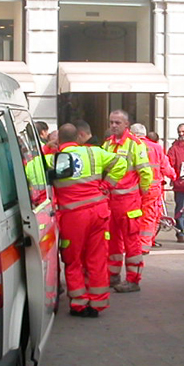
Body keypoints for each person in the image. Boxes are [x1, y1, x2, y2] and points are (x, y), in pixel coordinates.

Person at [48, 122, 126, 317]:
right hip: (99, 212)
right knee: (97, 258)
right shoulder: (94, 153)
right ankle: (98, 303)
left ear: (59, 140)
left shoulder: (53, 159)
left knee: (73, 260)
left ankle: (79, 303)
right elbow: (121, 163)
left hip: (73, 216)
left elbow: (30, 171)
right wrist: (107, 184)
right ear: (77, 138)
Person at [102, 110, 153, 292]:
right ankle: (113, 276)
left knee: (132, 242)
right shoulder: (107, 144)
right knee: (112, 241)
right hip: (111, 202)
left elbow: (145, 172)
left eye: (117, 122)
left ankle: (133, 280)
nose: (113, 125)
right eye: (111, 122)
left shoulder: (135, 144)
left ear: (126, 125)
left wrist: (143, 193)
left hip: (129, 202)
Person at [130, 123, 176, 253]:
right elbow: (165, 167)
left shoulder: (131, 147)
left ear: (133, 134)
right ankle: (144, 245)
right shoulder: (156, 147)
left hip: (133, 188)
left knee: (132, 216)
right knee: (149, 216)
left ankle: (131, 243)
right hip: (152, 189)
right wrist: (174, 175)